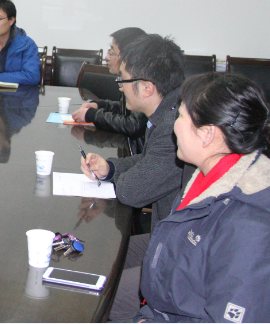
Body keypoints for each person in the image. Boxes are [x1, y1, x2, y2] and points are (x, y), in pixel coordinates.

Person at [135, 73, 270, 322]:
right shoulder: (208, 177)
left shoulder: (252, 229)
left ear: (207, 134)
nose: (174, 125)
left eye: (180, 116)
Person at [79, 33, 189, 322]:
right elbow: (149, 161)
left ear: (147, 87)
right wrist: (111, 168)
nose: (120, 87)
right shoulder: (167, 111)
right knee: (99, 260)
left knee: (105, 295)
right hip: (168, 236)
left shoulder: (174, 126)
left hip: (183, 253)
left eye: (124, 80)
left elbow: (133, 192)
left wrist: (120, 179)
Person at [71, 27, 148, 155]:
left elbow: (132, 125)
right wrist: (99, 105)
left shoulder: (142, 84)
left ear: (127, 56)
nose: (107, 57)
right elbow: (125, 110)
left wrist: (92, 115)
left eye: (112, 53)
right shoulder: (131, 80)